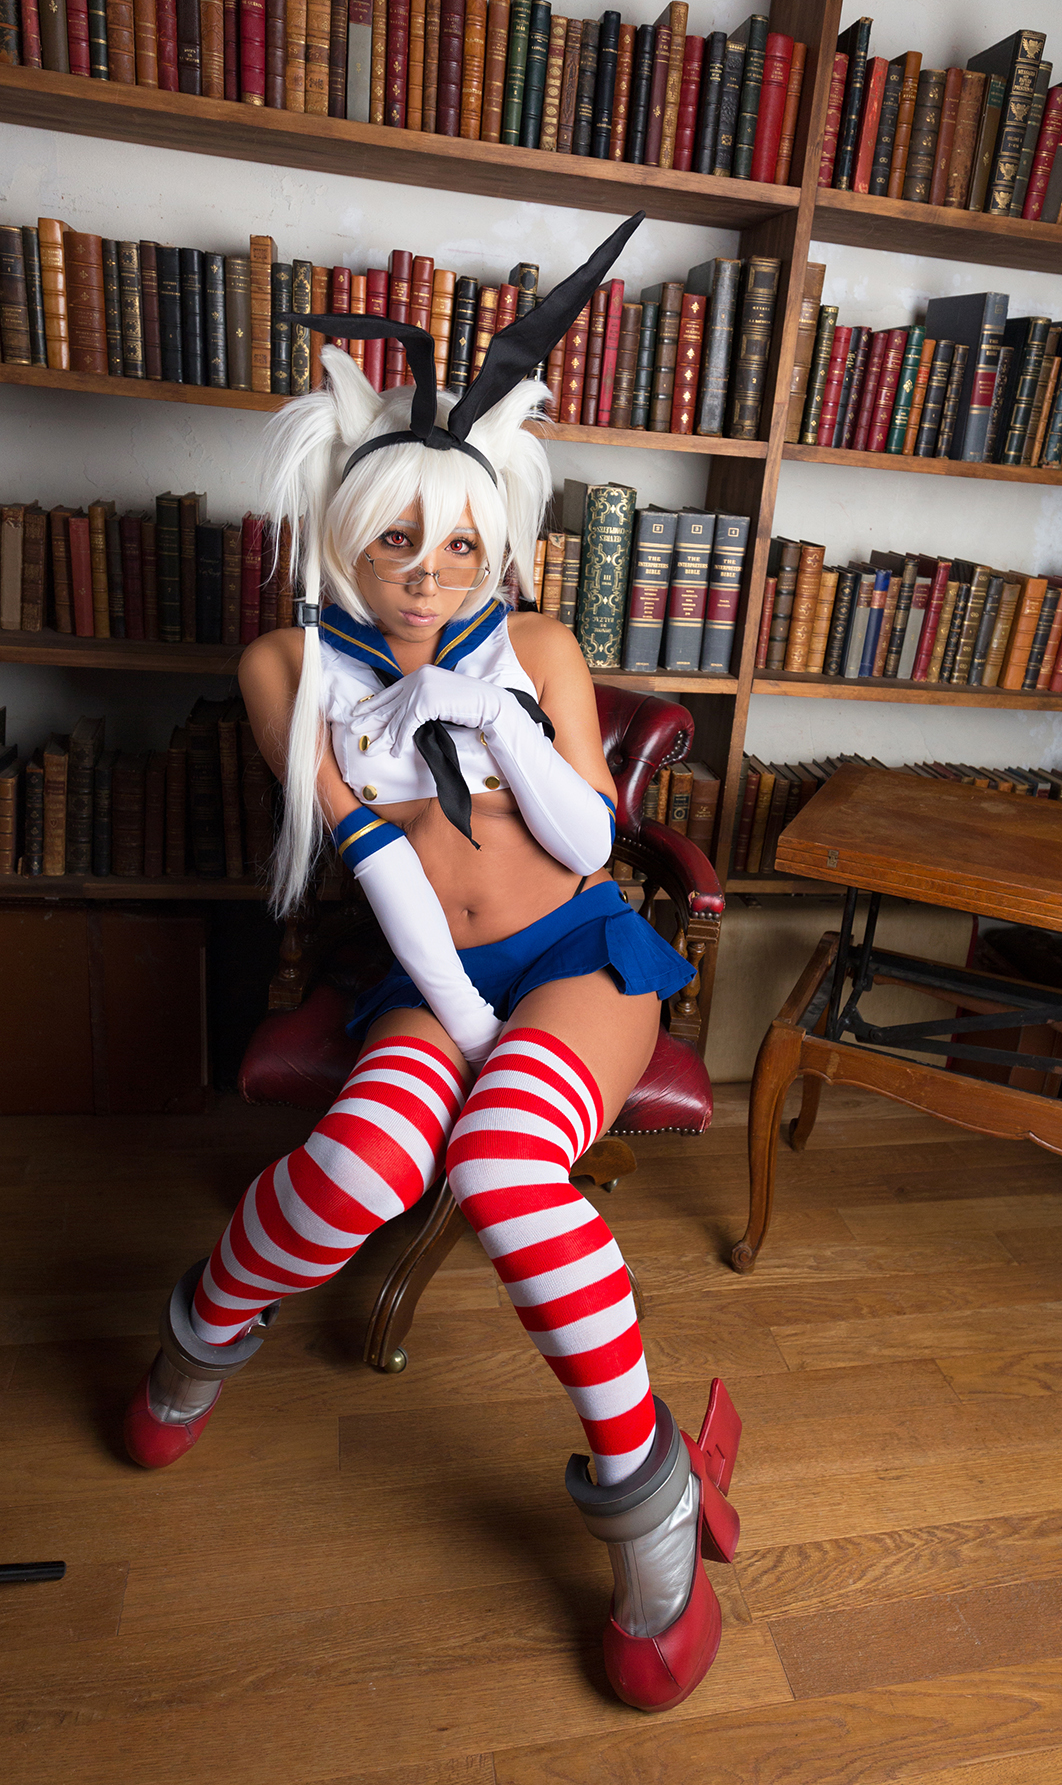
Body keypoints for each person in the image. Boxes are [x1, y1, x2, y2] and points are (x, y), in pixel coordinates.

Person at [121, 215, 742, 1713]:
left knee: (506, 1173)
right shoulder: (288, 668)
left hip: (578, 952)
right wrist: (456, 1015)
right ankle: (203, 1330)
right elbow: (373, 858)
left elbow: (591, 840)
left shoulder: (541, 644)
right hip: (424, 969)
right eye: (395, 539)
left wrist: (499, 714)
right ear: (342, 526)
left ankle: (653, 1519)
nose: (427, 576)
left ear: (495, 540)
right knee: (357, 1168)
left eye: (459, 544)